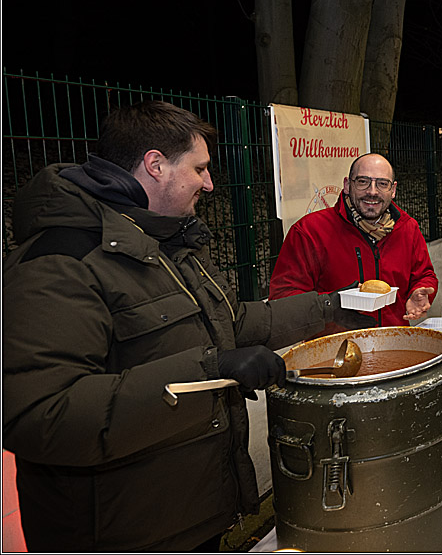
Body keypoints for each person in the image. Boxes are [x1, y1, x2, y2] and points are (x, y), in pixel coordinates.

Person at [1, 101, 374, 552]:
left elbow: (231, 322)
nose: (210, 183)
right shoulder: (59, 263)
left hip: (190, 514)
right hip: (123, 533)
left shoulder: (168, 240)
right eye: (199, 168)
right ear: (155, 165)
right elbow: (40, 415)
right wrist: (211, 371)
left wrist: (332, 306)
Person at [270, 153, 438, 330]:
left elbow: (424, 274)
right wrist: (332, 306)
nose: (372, 191)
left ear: (393, 190)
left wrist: (420, 291)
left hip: (394, 341)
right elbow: (283, 297)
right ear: (347, 185)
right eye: (363, 181)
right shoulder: (309, 231)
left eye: (382, 184)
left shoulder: (407, 228)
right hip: (333, 349)